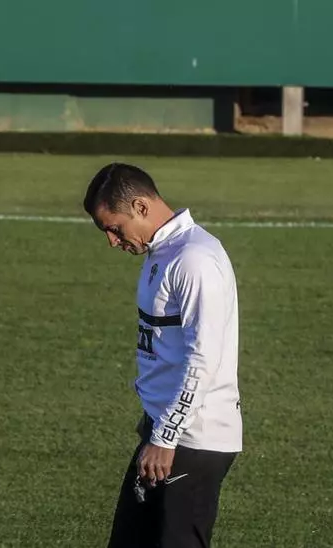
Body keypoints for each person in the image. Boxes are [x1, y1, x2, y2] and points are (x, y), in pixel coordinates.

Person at [82, 162, 242, 548]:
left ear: (140, 206)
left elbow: (203, 359)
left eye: (114, 228)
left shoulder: (194, 259)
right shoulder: (163, 252)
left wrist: (167, 436)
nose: (112, 241)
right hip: (165, 431)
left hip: (192, 440)